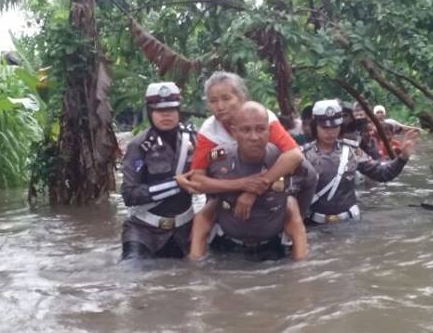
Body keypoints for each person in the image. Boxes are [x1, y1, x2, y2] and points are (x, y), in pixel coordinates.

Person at [176, 72, 309, 254]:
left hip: (267, 177)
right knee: (205, 213)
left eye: (226, 99)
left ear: (241, 97)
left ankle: (299, 225)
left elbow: (294, 155)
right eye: (213, 101)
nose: (220, 107)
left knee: (309, 173)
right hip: (227, 186)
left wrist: (253, 189)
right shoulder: (209, 131)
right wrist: (242, 184)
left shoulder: (264, 118)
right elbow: (198, 180)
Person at [303, 100, 419, 224]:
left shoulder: (352, 151)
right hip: (315, 225)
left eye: (334, 126)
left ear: (341, 125)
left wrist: (403, 157)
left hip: (350, 223)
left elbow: (382, 173)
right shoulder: (304, 155)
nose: (330, 131)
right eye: (324, 127)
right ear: (315, 125)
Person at [120, 82, 196, 259]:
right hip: (144, 231)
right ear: (150, 112)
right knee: (131, 273)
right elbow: (129, 195)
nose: (166, 115)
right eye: (159, 110)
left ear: (179, 111)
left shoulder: (194, 139)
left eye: (171, 109)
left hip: (184, 231)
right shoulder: (138, 146)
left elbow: (214, 166)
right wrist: (176, 184)